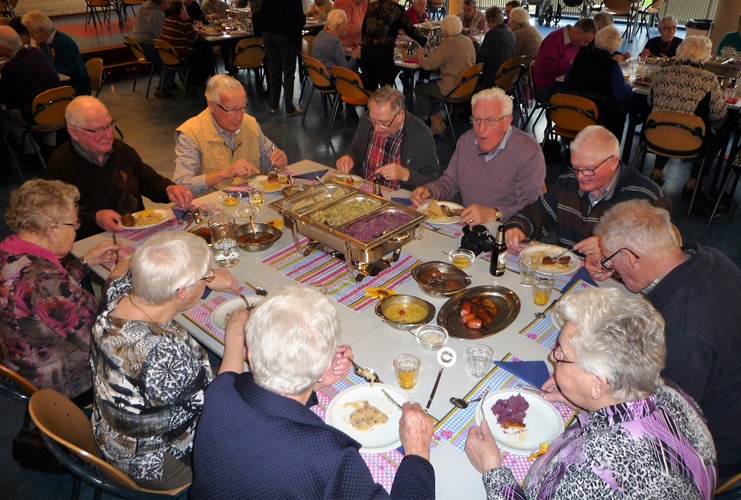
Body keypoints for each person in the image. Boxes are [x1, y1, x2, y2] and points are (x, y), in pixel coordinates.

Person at [465, 287, 717, 498]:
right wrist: (583, 399)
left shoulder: (592, 469)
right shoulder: (673, 395)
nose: (553, 357)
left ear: (598, 383)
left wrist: (492, 471)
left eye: (562, 355)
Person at [191, 286, 436, 498]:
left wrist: (314, 384)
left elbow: (267, 405)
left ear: (250, 357)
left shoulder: (220, 390)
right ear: (324, 366)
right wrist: (417, 452)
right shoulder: (329, 456)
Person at [583, 199, 741, 481]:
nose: (612, 269)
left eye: (612, 261)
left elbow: (661, 419)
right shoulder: (709, 258)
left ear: (632, 257)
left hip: (718, 447)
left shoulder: (682, 330)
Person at [91, 231, 242, 489]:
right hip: (157, 462)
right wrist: (236, 334)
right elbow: (221, 403)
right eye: (204, 279)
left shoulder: (114, 297)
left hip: (114, 433)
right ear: (182, 291)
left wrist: (210, 275)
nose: (207, 281)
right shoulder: (163, 351)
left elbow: (123, 273)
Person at [0, 180, 120, 406]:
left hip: (19, 364)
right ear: (53, 231)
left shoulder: (10, 254)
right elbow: (102, 335)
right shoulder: (45, 282)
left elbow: (46, 300)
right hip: (66, 387)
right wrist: (116, 280)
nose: (76, 231)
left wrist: (85, 262)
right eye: (74, 225)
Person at [44, 96, 193, 239]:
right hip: (93, 241)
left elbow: (148, 180)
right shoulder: (60, 164)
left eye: (109, 125)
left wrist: (168, 189)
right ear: (74, 132)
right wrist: (95, 218)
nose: (108, 135)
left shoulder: (121, 150)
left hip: (137, 233)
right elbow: (55, 218)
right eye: (98, 130)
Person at [504, 125, 668, 253]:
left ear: (613, 162)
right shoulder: (566, 184)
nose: (580, 176)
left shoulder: (646, 196)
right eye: (576, 168)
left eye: (589, 169)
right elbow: (538, 214)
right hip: (568, 272)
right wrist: (519, 226)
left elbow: (655, 253)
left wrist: (609, 248)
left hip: (618, 283)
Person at [410, 88, 545, 226]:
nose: (481, 129)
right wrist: (429, 191)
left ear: (507, 121)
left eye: (490, 120)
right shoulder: (465, 142)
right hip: (469, 226)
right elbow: (449, 182)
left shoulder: (528, 152)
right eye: (477, 119)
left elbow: (531, 208)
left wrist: (495, 213)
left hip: (509, 230)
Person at [173, 75, 288, 194]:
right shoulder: (191, 134)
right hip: (211, 207)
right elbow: (180, 185)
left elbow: (272, 160)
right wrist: (225, 173)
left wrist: (279, 161)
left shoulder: (250, 124)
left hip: (249, 202)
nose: (239, 117)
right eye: (231, 110)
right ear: (212, 105)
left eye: (242, 107)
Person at [648, 35, 727, 194]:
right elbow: (718, 114)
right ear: (704, 56)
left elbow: (651, 102)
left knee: (667, 121)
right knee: (719, 134)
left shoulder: (663, 73)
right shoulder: (709, 79)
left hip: (657, 136)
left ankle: (657, 171)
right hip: (691, 140)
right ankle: (693, 180)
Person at [335, 86, 439, 191]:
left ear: (400, 115)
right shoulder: (368, 119)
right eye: (373, 120)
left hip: (397, 198)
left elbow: (432, 182)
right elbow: (355, 148)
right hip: (365, 190)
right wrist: (349, 156)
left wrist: (405, 175)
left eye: (383, 123)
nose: (376, 128)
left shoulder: (420, 135)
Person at [564, 25, 632, 140]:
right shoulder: (612, 65)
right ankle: (609, 151)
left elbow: (567, 81)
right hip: (596, 115)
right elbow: (622, 95)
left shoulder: (579, 58)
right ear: (615, 46)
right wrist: (629, 86)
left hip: (572, 111)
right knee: (619, 115)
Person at [415, 15, 475, 135]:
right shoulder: (467, 40)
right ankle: (438, 121)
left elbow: (430, 65)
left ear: (445, 30)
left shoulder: (448, 43)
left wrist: (420, 57)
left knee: (420, 89)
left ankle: (436, 123)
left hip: (450, 88)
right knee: (431, 89)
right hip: (466, 86)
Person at [359, 0, 427, 91]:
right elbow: (410, 29)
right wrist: (424, 41)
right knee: (386, 89)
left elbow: (364, 29)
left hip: (367, 51)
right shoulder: (396, 9)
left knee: (369, 89)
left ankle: (370, 105)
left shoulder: (372, 6)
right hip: (383, 53)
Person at [22, 11, 91, 97]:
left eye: (32, 32)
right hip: (67, 85)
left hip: (77, 88)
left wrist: (49, 67)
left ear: (41, 30)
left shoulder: (62, 42)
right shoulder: (51, 41)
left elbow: (76, 71)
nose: (31, 36)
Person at [0, 26, 59, 119]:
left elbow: (6, 97)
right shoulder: (37, 52)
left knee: (3, 115)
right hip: (57, 107)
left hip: (35, 115)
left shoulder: (10, 68)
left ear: (4, 48)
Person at [258, 0, 305, 115]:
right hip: (285, 35)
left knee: (275, 72)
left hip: (268, 34)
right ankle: (289, 108)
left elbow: (261, 13)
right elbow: (298, 19)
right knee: (288, 72)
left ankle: (273, 106)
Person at [533, 18, 596, 102]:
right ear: (578, 33)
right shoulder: (554, 40)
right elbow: (541, 67)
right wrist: (568, 64)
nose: (585, 45)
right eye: (585, 41)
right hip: (545, 87)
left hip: (559, 83)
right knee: (582, 99)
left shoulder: (574, 44)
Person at [160, 0, 211, 93]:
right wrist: (201, 34)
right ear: (181, 11)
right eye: (184, 8)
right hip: (181, 57)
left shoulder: (167, 20)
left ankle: (194, 80)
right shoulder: (184, 23)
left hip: (169, 56)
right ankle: (200, 81)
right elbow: (195, 38)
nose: (186, 9)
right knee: (205, 53)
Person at [132, 0, 169, 93]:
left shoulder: (145, 6)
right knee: (170, 57)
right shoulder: (156, 14)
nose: (169, 4)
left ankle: (167, 84)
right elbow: (162, 36)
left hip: (138, 45)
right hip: (147, 47)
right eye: (168, 2)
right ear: (162, 3)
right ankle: (165, 87)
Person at [476, 6, 515, 89]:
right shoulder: (511, 33)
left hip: (491, 76)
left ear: (490, 20)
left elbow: (480, 58)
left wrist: (475, 44)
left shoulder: (492, 34)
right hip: (506, 75)